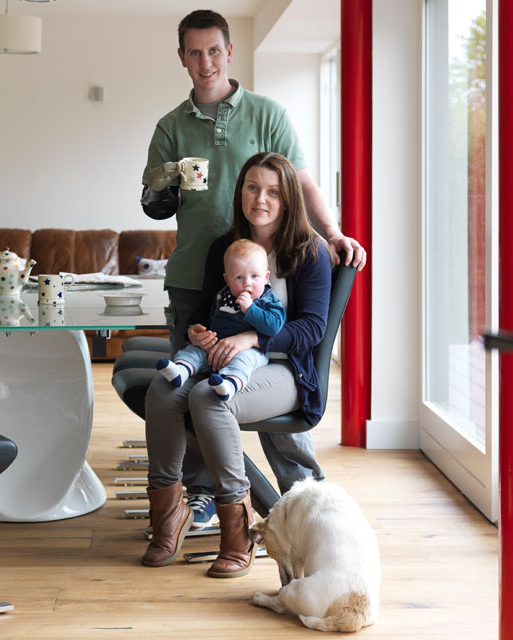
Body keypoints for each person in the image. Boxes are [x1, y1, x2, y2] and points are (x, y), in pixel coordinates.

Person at [140, 9, 365, 528]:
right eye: (194, 53)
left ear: (229, 52)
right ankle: (201, 498)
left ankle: (304, 495)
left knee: (265, 380)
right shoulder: (170, 127)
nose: (205, 62)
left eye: (214, 50)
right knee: (196, 387)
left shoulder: (267, 114)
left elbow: (300, 183)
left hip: (270, 275)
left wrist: (331, 234)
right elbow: (155, 206)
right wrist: (162, 186)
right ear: (182, 59)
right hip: (199, 276)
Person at [141, 152, 332, 578]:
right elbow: (207, 312)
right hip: (222, 360)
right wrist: (198, 332)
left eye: (272, 191)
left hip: (284, 370)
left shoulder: (309, 252)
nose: (259, 199)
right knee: (163, 389)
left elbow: (312, 329)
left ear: (288, 199)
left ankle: (237, 530)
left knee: (210, 399)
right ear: (240, 191)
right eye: (251, 187)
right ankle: (169, 515)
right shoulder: (222, 249)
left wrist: (251, 337)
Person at [156, 239, 285, 402]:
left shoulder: (268, 300)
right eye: (239, 277)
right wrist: (203, 334)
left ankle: (229, 385)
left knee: (243, 362)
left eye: (254, 276)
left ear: (266, 277)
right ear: (227, 280)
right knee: (192, 352)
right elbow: (211, 316)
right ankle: (181, 371)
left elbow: (274, 327)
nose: (247, 283)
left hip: (250, 351)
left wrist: (251, 309)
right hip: (215, 347)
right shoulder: (223, 294)